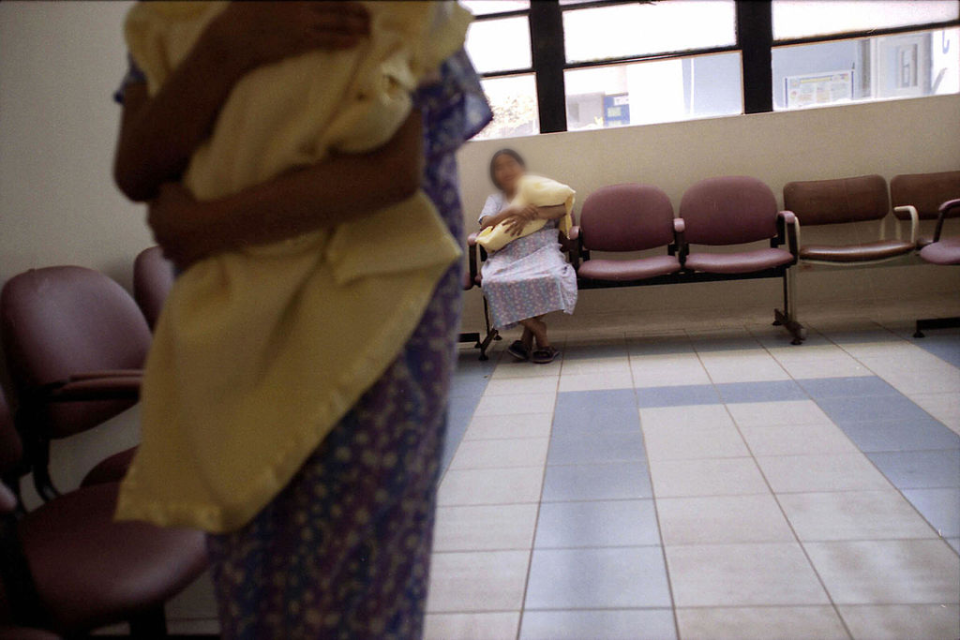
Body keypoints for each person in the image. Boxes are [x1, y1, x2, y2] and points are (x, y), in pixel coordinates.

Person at [112, 2, 492, 638]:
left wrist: (206, 226)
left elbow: (393, 171)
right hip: (231, 324)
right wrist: (224, 48)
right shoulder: (171, 14)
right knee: (250, 559)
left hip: (373, 309)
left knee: (363, 579)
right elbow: (137, 167)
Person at [478, 149, 578, 364]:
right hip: (507, 253)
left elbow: (563, 207)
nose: (505, 170)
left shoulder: (538, 189)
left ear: (521, 167)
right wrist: (513, 210)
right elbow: (485, 224)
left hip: (541, 248)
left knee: (553, 277)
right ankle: (538, 331)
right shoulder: (495, 199)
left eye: (510, 164)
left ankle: (526, 338)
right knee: (492, 282)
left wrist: (533, 213)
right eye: (499, 167)